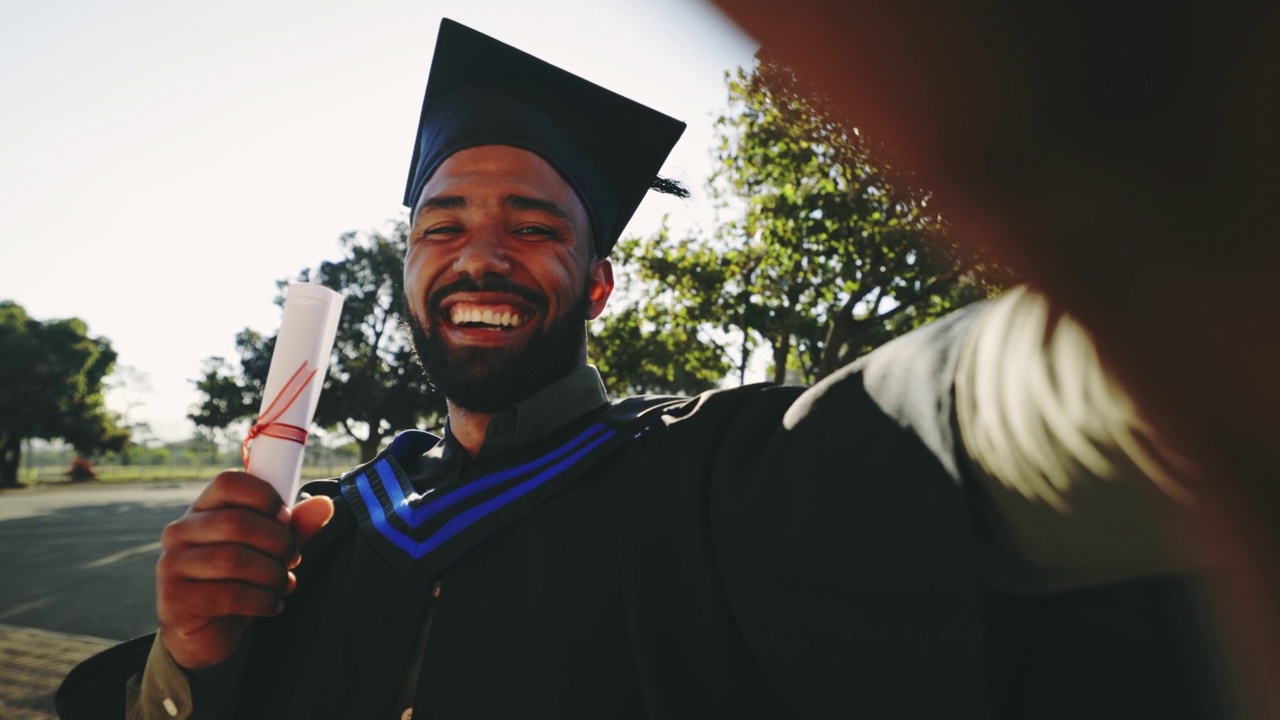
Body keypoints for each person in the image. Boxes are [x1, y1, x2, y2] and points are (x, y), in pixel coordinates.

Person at [58, 19, 1237, 720]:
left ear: (597, 280)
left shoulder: (700, 480)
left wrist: (1167, 326)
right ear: (408, 267)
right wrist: (194, 656)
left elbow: (956, 424)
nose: (479, 250)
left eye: (531, 222)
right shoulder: (332, 529)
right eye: (440, 222)